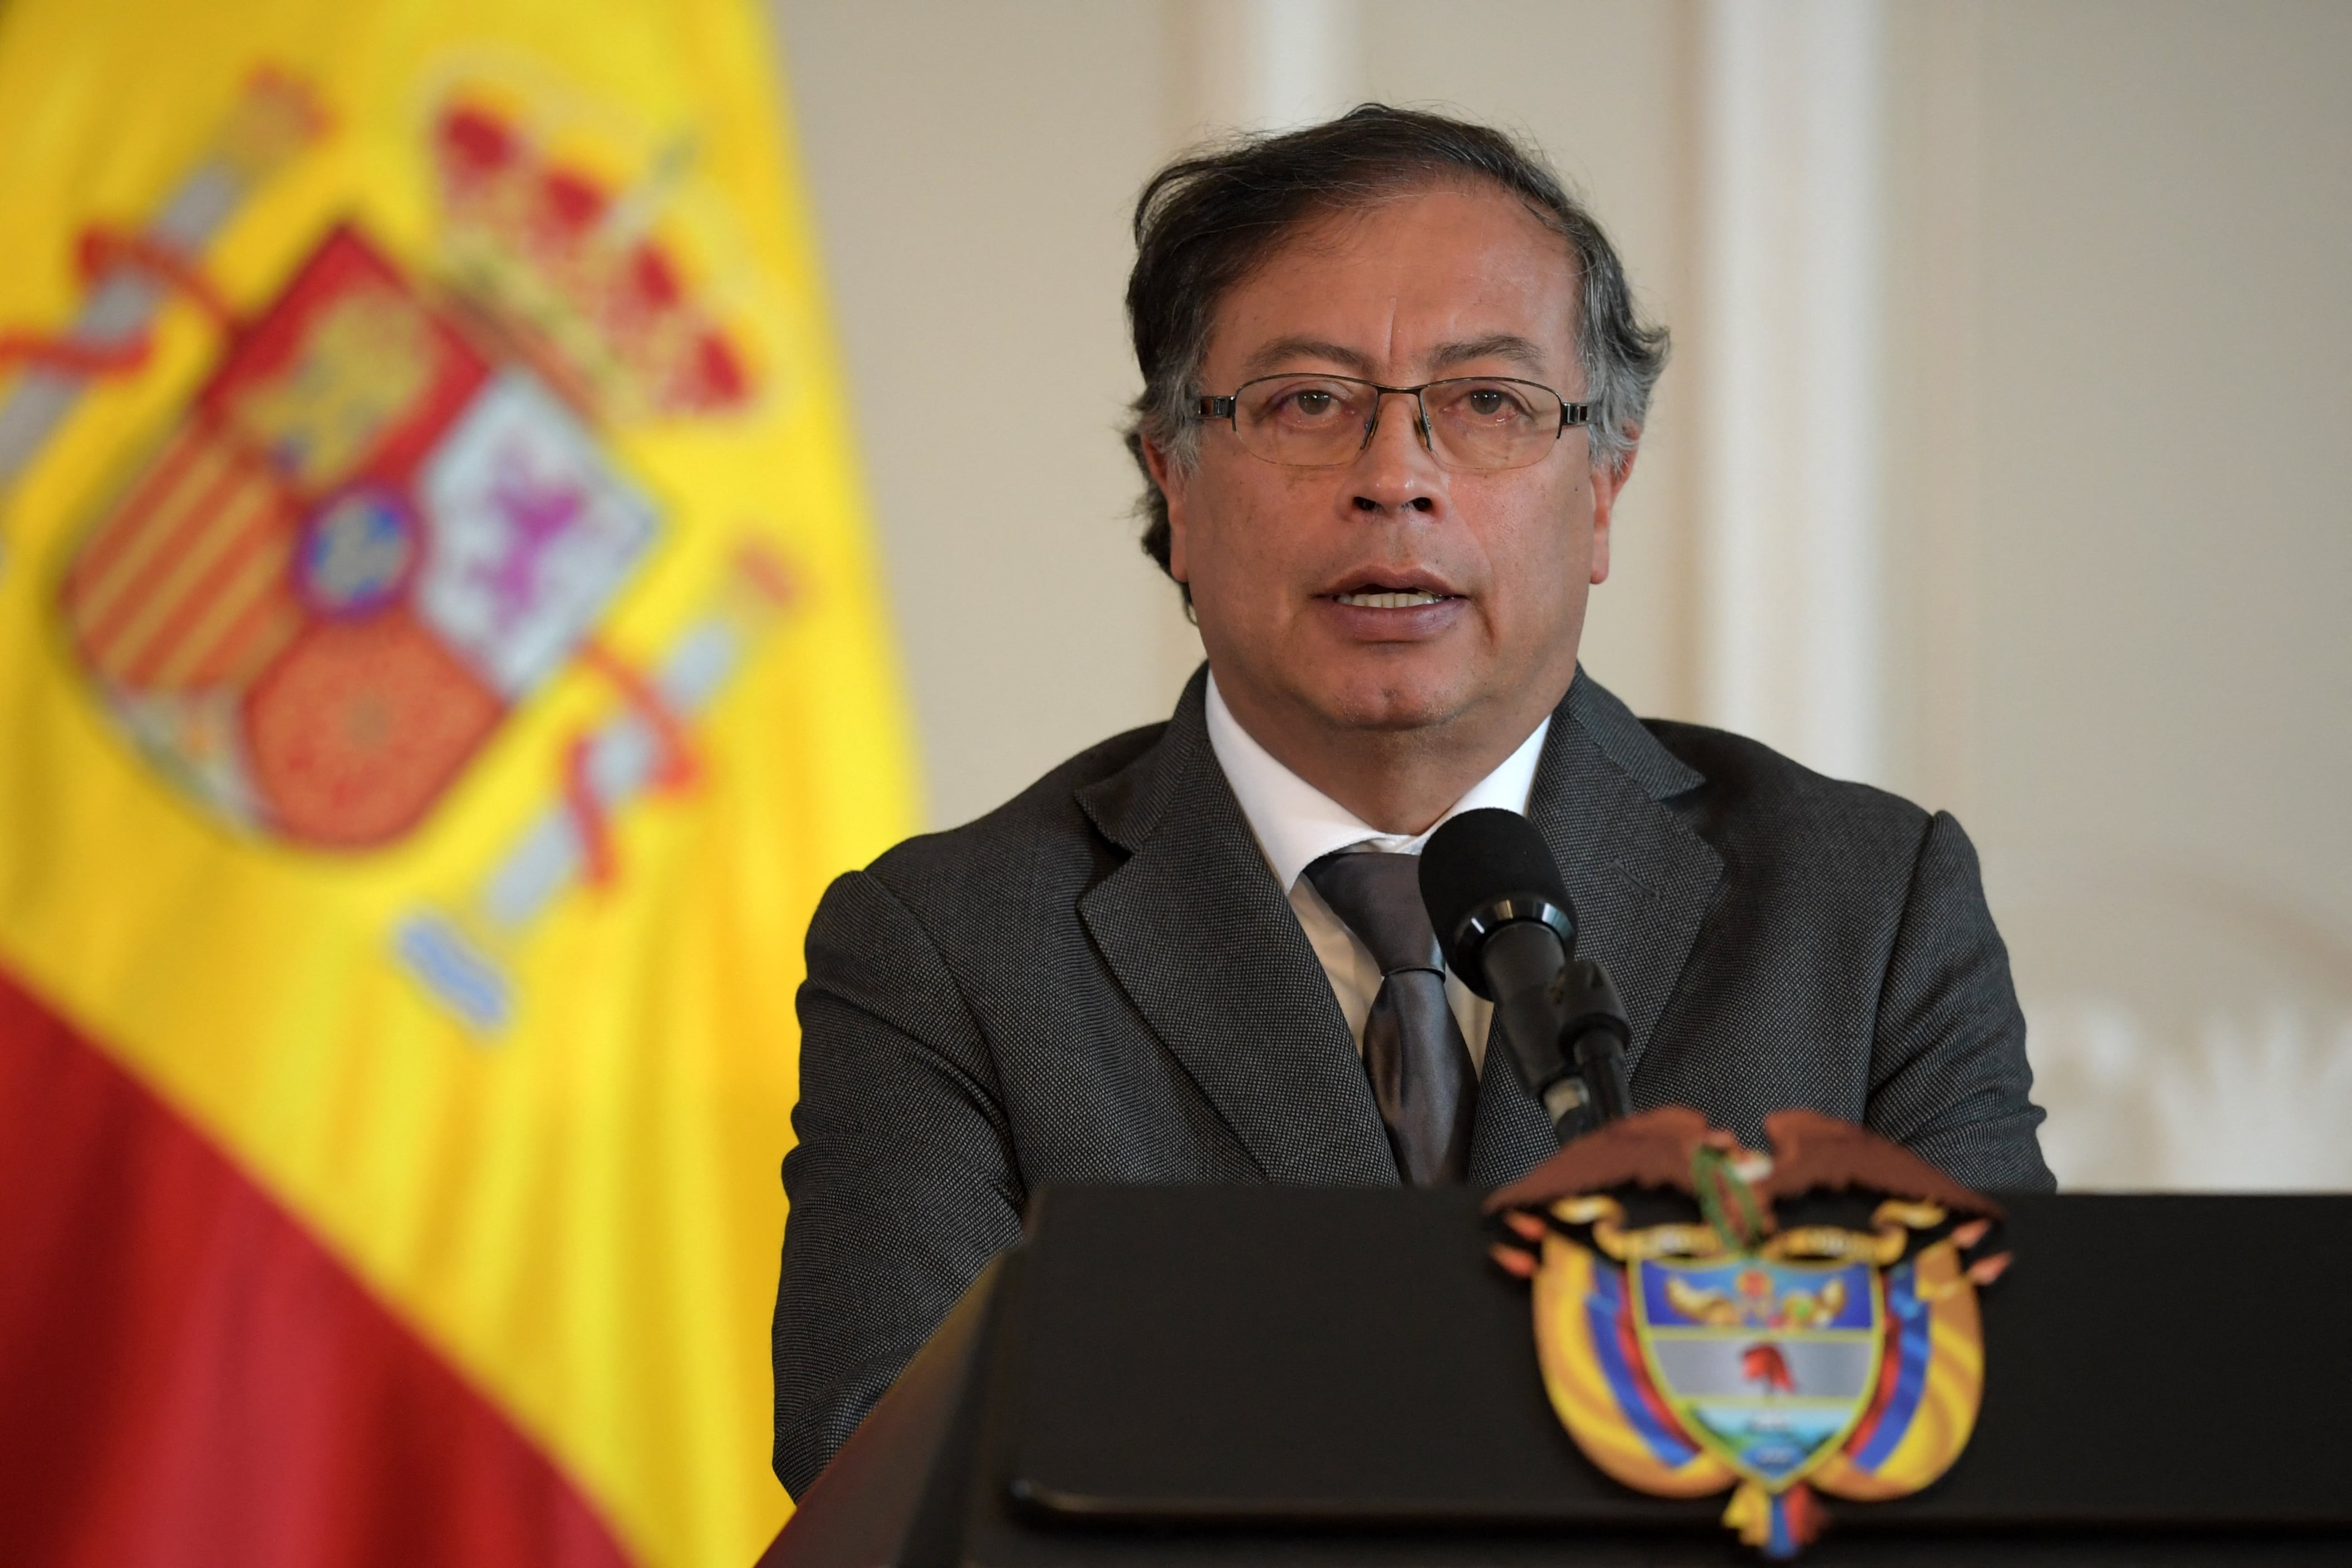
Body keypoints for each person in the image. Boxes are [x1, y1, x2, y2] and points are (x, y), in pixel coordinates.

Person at [770, 105, 2051, 1497]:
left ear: (1604, 484)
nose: (1395, 479)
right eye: (1307, 403)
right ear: (1174, 481)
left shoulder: (1865, 907)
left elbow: (2009, 1439)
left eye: (1489, 403)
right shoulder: (949, 949)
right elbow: (889, 1479)